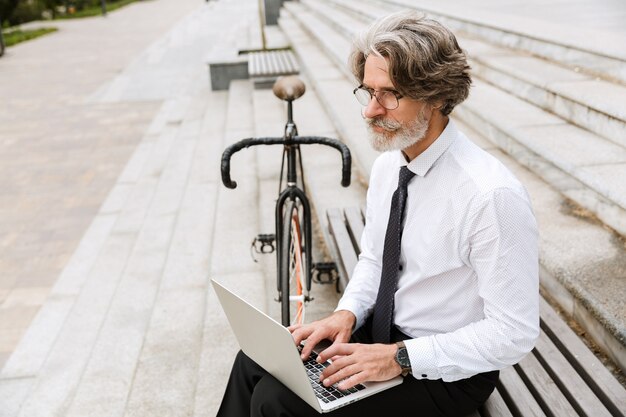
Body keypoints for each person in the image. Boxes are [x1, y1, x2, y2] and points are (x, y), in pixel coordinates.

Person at [217, 10, 539, 417]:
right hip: (383, 335)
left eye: (390, 94)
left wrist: (399, 358)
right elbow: (373, 260)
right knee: (256, 361)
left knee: (275, 401)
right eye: (368, 91)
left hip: (446, 374)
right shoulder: (392, 164)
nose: (370, 110)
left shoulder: (491, 196)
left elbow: (514, 333)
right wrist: (346, 313)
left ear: (438, 96)